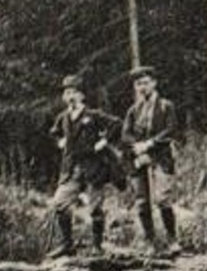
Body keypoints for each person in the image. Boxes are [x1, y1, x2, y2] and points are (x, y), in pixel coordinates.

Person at [47, 75, 122, 258]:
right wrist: (60, 141)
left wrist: (103, 142)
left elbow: (116, 124)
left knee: (95, 207)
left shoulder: (93, 115)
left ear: (81, 96)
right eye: (66, 93)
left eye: (73, 92)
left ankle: (97, 246)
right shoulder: (63, 118)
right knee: (60, 204)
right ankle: (67, 244)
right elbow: (54, 133)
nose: (69, 97)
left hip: (93, 167)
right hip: (71, 168)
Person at [122, 65, 180, 256]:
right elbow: (126, 134)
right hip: (139, 159)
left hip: (160, 157)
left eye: (146, 83)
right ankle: (150, 242)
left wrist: (149, 144)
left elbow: (170, 130)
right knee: (142, 202)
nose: (142, 87)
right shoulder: (133, 110)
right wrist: (137, 146)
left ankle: (172, 239)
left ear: (154, 83)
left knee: (163, 199)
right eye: (138, 84)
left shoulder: (166, 106)